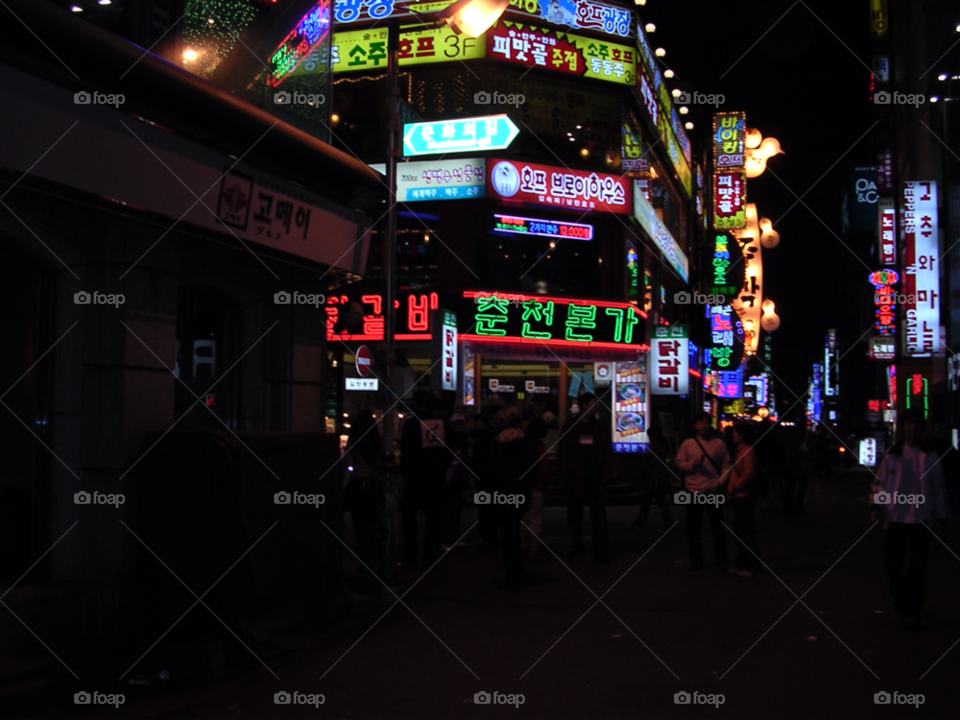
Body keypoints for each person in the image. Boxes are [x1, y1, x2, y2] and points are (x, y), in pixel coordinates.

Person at [870, 410, 949, 631]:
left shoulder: (930, 456)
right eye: (909, 423)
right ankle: (902, 600)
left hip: (921, 519)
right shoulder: (892, 454)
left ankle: (912, 611)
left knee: (917, 568)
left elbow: (938, 488)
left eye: (916, 424)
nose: (912, 427)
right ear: (903, 427)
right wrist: (876, 506)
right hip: (895, 519)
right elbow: (880, 484)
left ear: (922, 428)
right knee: (892, 565)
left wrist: (942, 517)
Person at [557, 393, 611, 562]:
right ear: (584, 405)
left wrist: (605, 476)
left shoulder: (600, 427)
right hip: (576, 477)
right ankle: (577, 546)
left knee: (598, 516)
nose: (596, 407)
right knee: (575, 515)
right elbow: (562, 453)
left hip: (594, 477)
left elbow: (606, 454)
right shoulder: (571, 426)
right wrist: (563, 476)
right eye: (594, 404)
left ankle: (599, 549)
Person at [675, 412, 732, 571]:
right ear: (695, 426)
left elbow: (727, 464)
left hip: (713, 491)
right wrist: (691, 465)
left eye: (706, 423)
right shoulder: (688, 444)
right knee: (693, 528)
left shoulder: (719, 444)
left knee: (717, 527)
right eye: (700, 423)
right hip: (692, 490)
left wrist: (720, 481)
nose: (703, 426)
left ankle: (721, 560)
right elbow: (679, 463)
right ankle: (696, 561)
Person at [488, 406, 536, 590]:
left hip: (503, 491)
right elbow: (533, 468)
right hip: (521, 490)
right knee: (514, 529)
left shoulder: (496, 442)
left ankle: (512, 573)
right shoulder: (525, 442)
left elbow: (489, 470)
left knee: (507, 533)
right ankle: (517, 572)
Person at [400, 390, 449, 568]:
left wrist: (404, 472)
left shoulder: (412, 424)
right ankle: (431, 554)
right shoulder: (442, 422)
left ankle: (411, 553)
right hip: (436, 475)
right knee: (434, 517)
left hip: (416, 475)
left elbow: (406, 451)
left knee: (409, 516)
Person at [343, 409, 381, 569]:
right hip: (372, 484)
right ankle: (375, 558)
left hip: (357, 485)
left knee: (359, 525)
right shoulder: (375, 439)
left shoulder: (355, 438)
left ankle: (364, 560)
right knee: (373, 524)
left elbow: (347, 461)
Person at [726, 423, 762, 577]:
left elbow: (749, 474)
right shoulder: (740, 451)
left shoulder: (746, 451)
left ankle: (752, 566)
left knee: (745, 531)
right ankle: (743, 563)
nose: (732, 435)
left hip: (744, 496)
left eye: (735, 432)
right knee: (740, 531)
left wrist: (734, 487)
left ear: (741, 435)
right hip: (739, 496)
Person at [630, 425, 675, 533]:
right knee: (658, 501)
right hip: (659, 476)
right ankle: (666, 523)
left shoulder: (655, 446)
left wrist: (644, 457)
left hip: (654, 477)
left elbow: (652, 461)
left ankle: (641, 522)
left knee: (651, 501)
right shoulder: (663, 445)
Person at [520, 416, 549, 561]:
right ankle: (534, 549)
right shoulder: (539, 446)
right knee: (535, 519)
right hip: (537, 486)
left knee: (523, 517)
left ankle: (523, 546)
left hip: (522, 486)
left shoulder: (522, 444)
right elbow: (543, 469)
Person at [440, 413, 469, 552]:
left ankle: (453, 538)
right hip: (449, 477)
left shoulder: (462, 438)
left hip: (456, 478)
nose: (458, 426)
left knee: (455, 510)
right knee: (447, 510)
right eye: (456, 423)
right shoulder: (449, 439)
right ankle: (446, 539)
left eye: (460, 423)